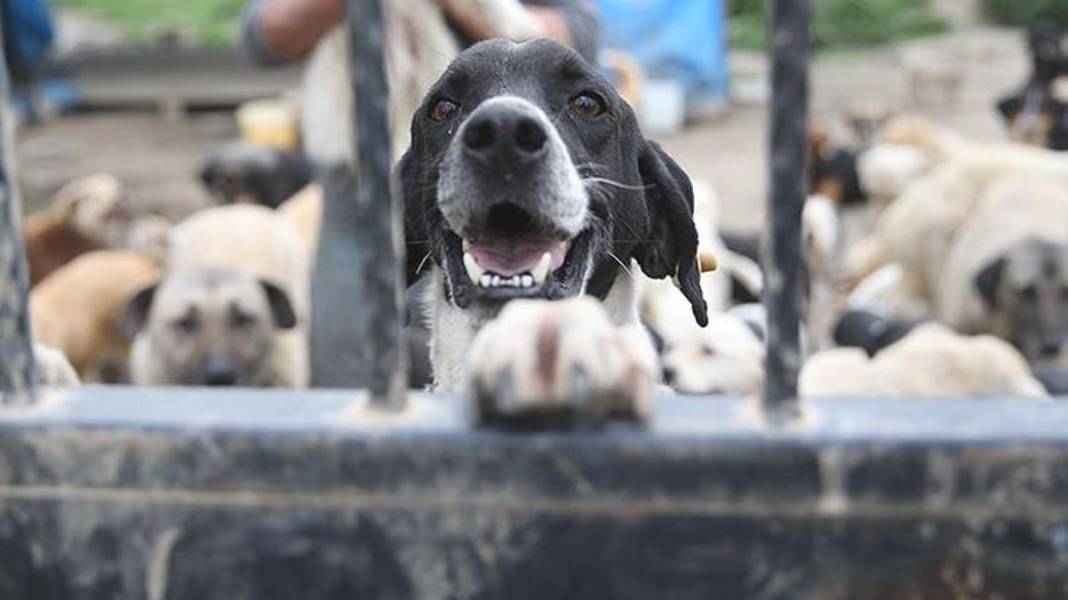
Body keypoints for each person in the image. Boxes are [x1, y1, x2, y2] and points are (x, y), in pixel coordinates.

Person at [241, 0, 599, 164]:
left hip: (493, 157)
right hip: (357, 182)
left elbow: (575, 37)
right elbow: (263, 36)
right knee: (354, 310)